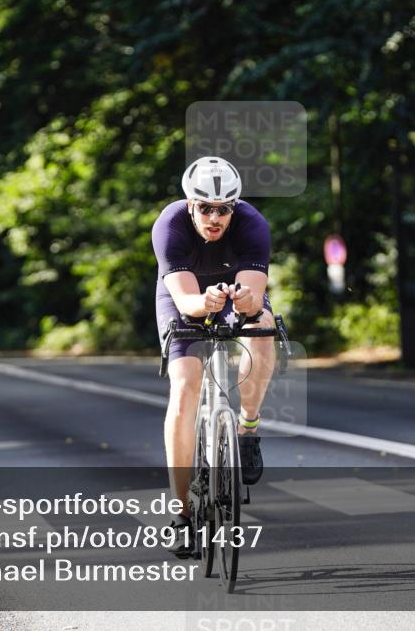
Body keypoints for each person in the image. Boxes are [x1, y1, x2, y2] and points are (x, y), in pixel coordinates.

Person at [151, 156, 276, 558]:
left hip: (231, 291)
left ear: (235, 206)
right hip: (184, 294)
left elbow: (254, 298)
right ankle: (183, 515)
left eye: (224, 208)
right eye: (205, 207)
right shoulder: (169, 226)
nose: (215, 217)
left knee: (262, 326)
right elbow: (186, 301)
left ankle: (248, 429)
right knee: (185, 389)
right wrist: (201, 303)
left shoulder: (252, 224)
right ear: (190, 204)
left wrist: (245, 302)